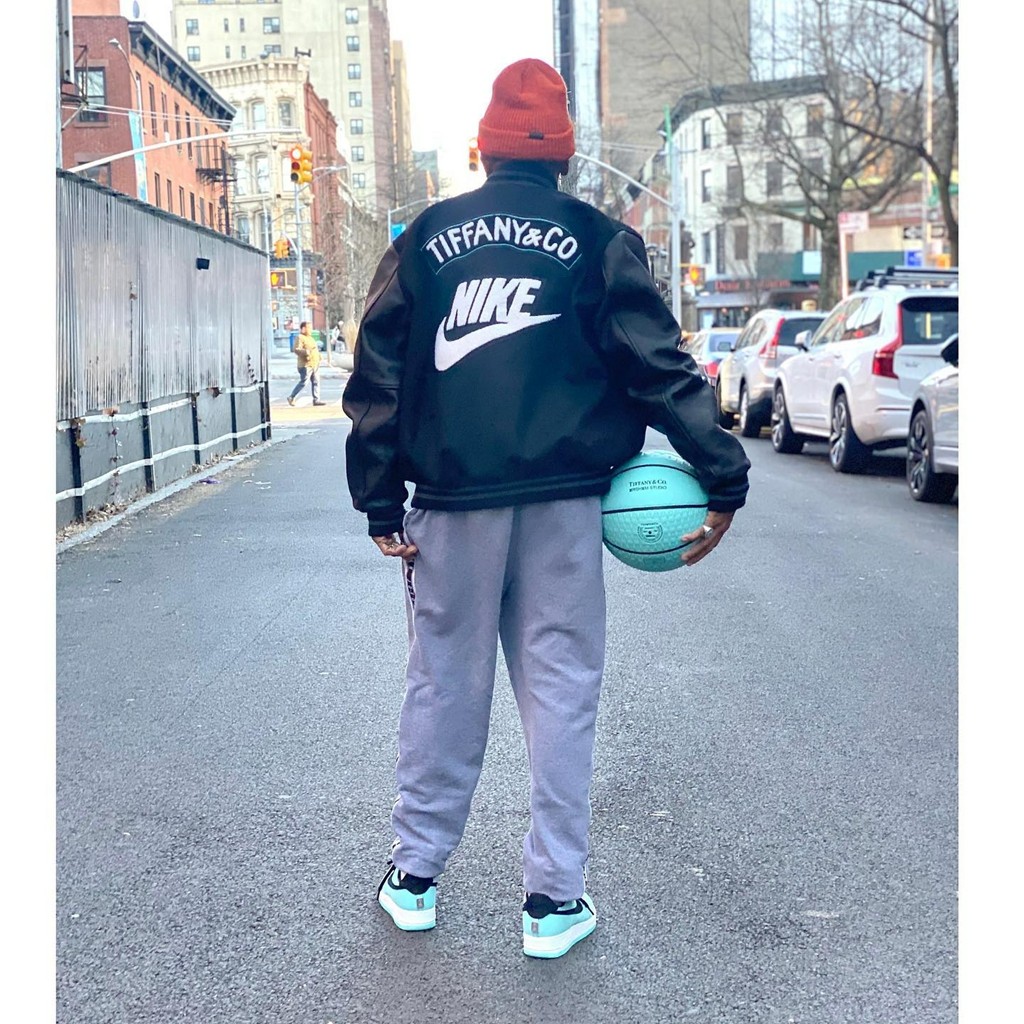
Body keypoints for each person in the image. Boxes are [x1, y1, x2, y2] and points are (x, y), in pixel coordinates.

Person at [342, 58, 750, 960]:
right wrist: (722, 472)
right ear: (564, 156)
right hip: (567, 502)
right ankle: (553, 902)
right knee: (562, 691)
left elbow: (376, 373)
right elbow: (659, 366)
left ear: (483, 149)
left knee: (443, 682)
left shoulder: (425, 239)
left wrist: (378, 497)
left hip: (451, 501)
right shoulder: (600, 240)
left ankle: (415, 878)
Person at [288, 321, 325, 406]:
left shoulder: (311, 338)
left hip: (314, 364)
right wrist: (306, 352)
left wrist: (319, 356)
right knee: (304, 382)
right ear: (303, 329)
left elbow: (314, 349)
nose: (310, 329)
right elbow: (296, 349)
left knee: (316, 382)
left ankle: (316, 400)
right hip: (305, 365)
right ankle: (291, 397)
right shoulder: (300, 337)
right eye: (308, 328)